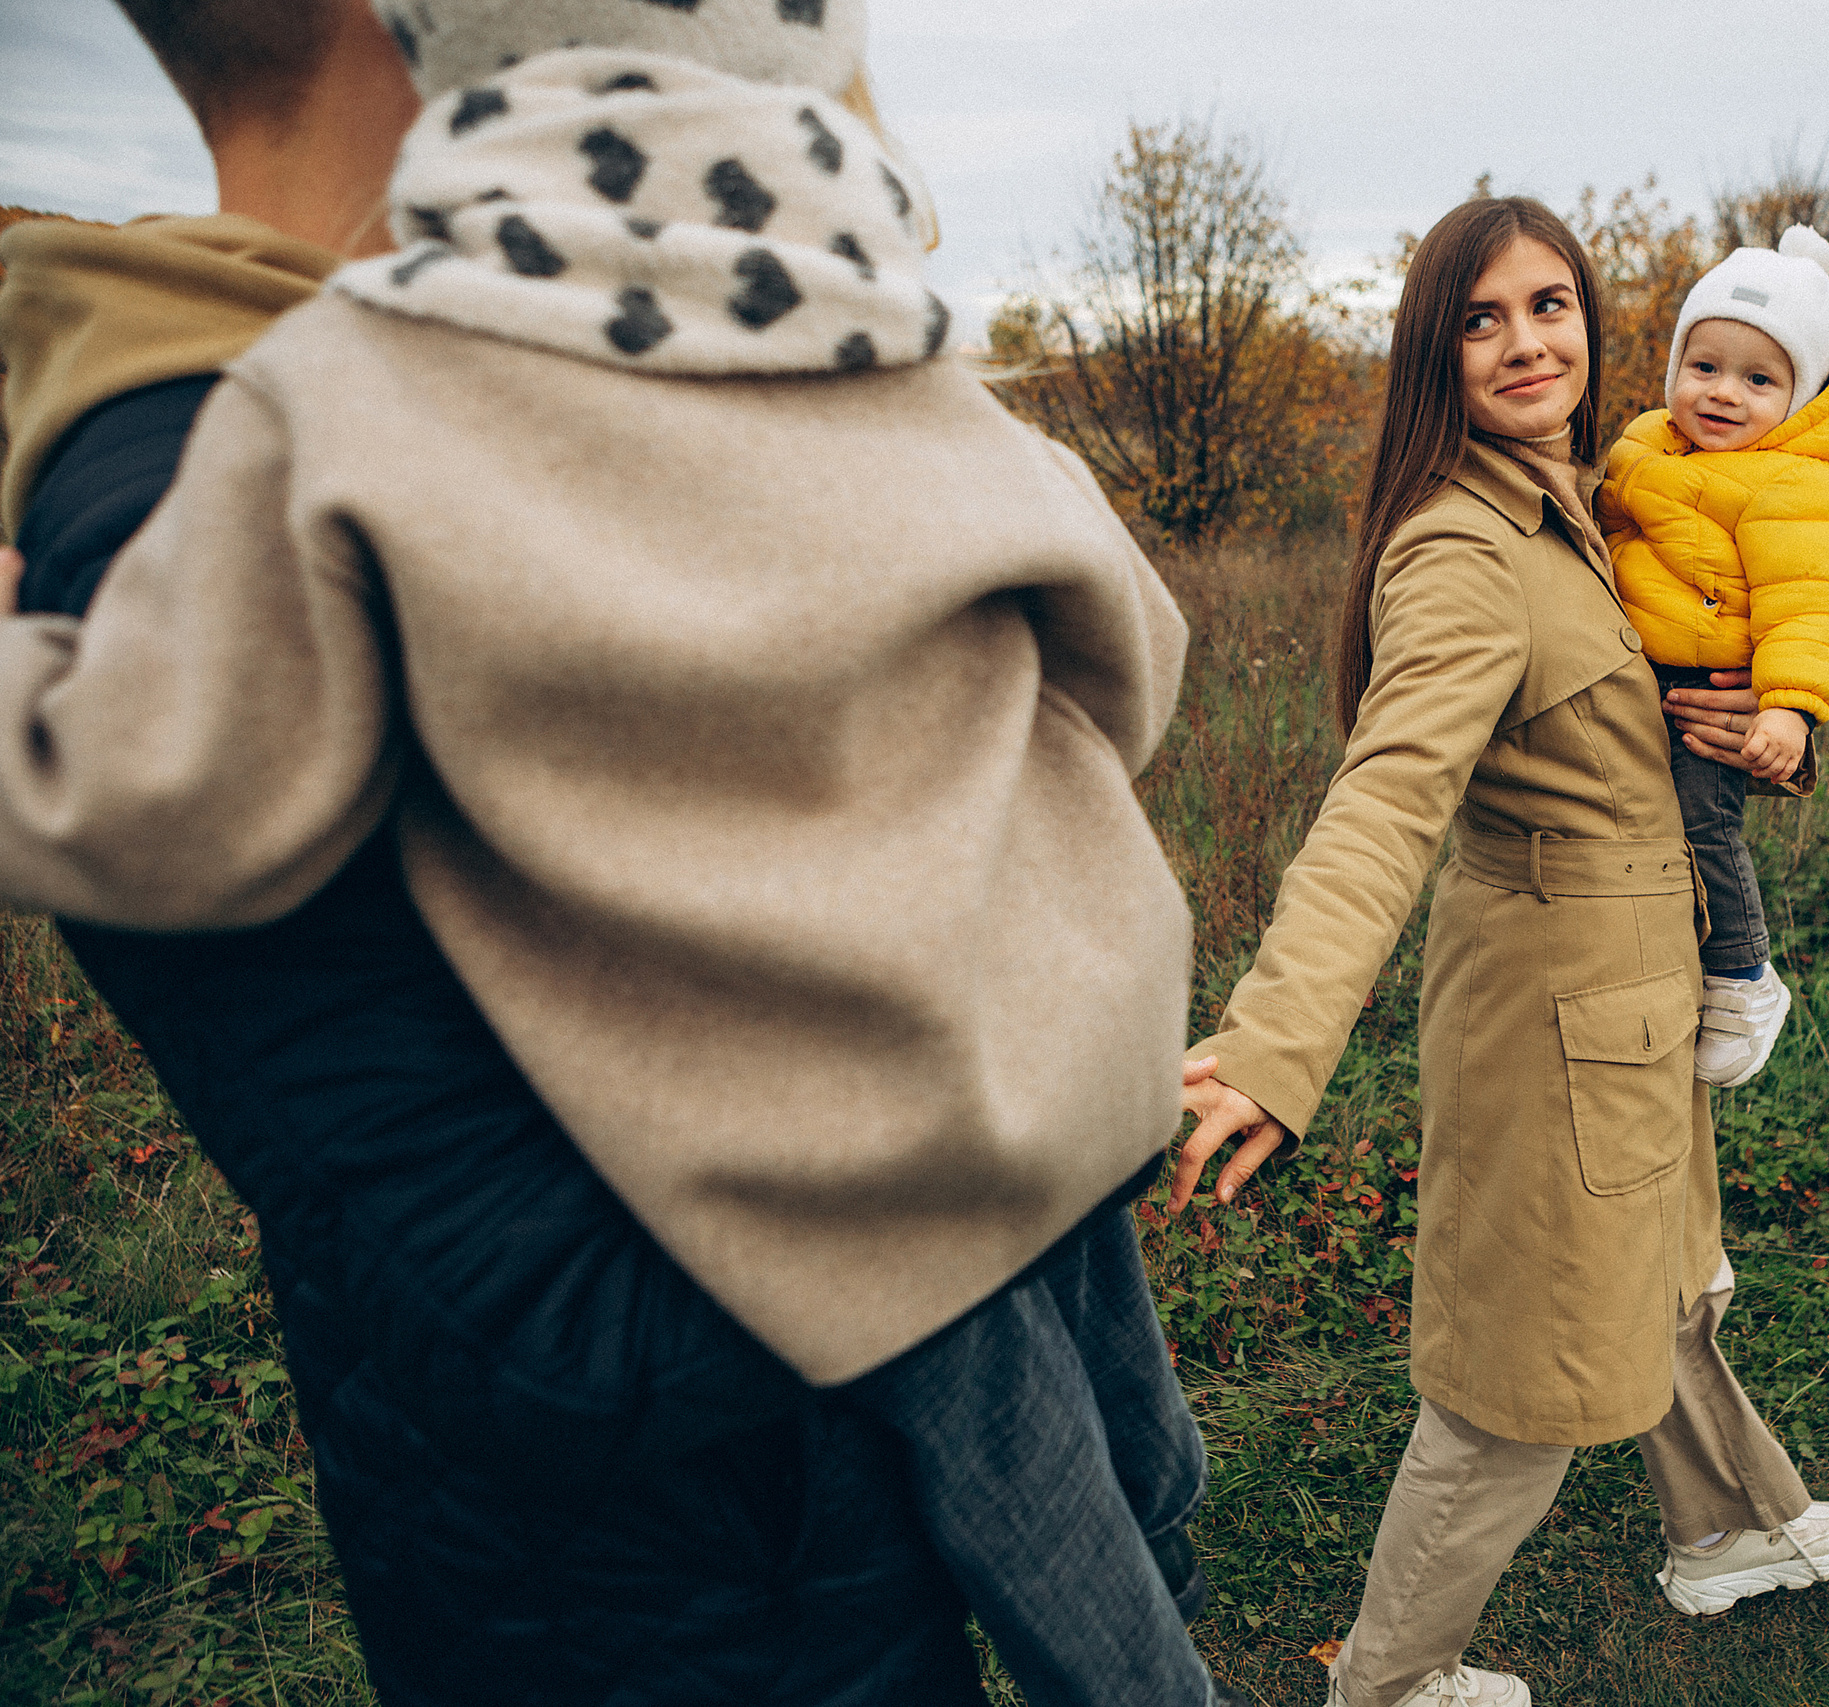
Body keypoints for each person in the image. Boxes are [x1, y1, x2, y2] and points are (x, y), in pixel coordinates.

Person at [0, 2, 1230, 1702]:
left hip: (751, 1447)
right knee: (1118, 1557)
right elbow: (1134, 653)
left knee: (1087, 1546)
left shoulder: (344, 393)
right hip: (719, 1529)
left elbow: (159, 783)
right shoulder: (864, 322)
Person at [1175, 197, 1829, 1707]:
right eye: (1482, 318)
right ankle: (1389, 1675)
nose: (1527, 340)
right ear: (1438, 351)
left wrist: (1765, 731)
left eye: (1549, 304)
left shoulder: (1598, 499)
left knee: (1667, 1285)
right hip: (1555, 1012)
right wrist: (1279, 1041)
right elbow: (1384, 802)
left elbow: (1683, 702)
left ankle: (1733, 1526)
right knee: (1523, 1372)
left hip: (1633, 994)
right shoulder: (1463, 549)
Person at [1597, 226, 1829, 1086]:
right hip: (1643, 671)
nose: (1724, 394)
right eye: (1705, 367)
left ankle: (1743, 971)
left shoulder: (1797, 483)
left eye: (1760, 380)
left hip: (1711, 687)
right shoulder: (1645, 447)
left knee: (1703, 822)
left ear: (1800, 397)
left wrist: (1790, 710)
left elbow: (1807, 607)